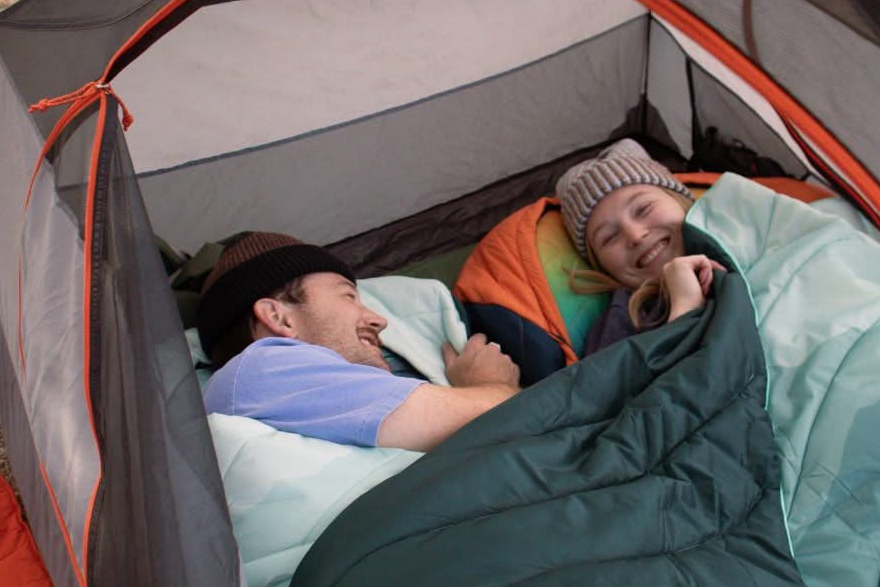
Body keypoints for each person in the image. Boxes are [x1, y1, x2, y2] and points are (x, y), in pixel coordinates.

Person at [197, 232, 520, 452]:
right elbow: (499, 416)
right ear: (278, 317)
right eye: (348, 296)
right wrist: (491, 384)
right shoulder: (257, 372)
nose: (379, 320)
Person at [555, 138, 724, 354]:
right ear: (600, 265)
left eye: (643, 209)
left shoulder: (741, 229)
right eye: (609, 237)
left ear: (679, 199)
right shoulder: (622, 323)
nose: (634, 236)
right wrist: (685, 308)